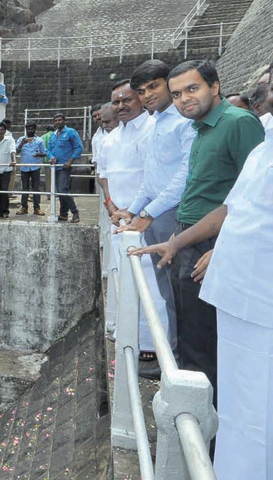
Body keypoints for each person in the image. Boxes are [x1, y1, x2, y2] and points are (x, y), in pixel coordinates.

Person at [130, 50, 273, 477]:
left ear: (214, 87)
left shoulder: (245, 127)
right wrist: (176, 242)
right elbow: (232, 209)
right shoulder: (272, 143)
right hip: (239, 302)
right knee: (239, 409)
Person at [134, 59, 264, 398]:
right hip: (190, 236)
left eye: (192, 89)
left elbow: (253, 198)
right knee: (190, 333)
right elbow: (198, 190)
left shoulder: (239, 123)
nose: (183, 99)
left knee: (206, 343)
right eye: (177, 94)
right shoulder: (199, 128)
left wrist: (222, 248)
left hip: (214, 242)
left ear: (215, 86)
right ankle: (191, 417)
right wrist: (176, 240)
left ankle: (204, 435)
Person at [113, 60, 196, 363]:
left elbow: (184, 176)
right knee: (167, 294)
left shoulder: (186, 120)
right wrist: (132, 210)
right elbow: (153, 177)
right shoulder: (159, 120)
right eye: (141, 90)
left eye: (153, 87)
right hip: (157, 217)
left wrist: (145, 213)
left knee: (181, 297)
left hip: (177, 217)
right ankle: (171, 359)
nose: (147, 95)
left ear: (168, 83)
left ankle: (180, 363)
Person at [98, 80, 169, 374]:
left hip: (146, 219)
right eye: (116, 102)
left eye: (127, 100)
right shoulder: (111, 138)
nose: (121, 106)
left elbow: (156, 180)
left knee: (150, 285)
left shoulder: (154, 130)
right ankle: (131, 341)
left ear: (140, 99)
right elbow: (104, 174)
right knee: (123, 280)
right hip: (120, 219)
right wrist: (111, 204)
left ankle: (152, 348)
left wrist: (139, 212)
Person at [48, 113, 83, 223]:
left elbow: (78, 147)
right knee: (60, 190)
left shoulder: (71, 132)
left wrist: (70, 161)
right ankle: (63, 214)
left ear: (64, 120)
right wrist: (51, 157)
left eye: (60, 120)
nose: (58, 122)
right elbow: (48, 149)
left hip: (64, 167)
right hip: (55, 167)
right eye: (56, 120)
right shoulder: (53, 135)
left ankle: (75, 212)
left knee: (63, 189)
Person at [15, 122, 46, 215]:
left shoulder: (39, 140)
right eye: (28, 129)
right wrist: (21, 143)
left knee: (36, 188)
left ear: (35, 129)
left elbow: (44, 153)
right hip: (24, 168)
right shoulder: (21, 139)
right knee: (25, 188)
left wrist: (38, 154)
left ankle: (37, 208)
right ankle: (24, 207)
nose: (30, 130)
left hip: (35, 167)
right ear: (26, 129)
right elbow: (15, 151)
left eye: (32, 129)